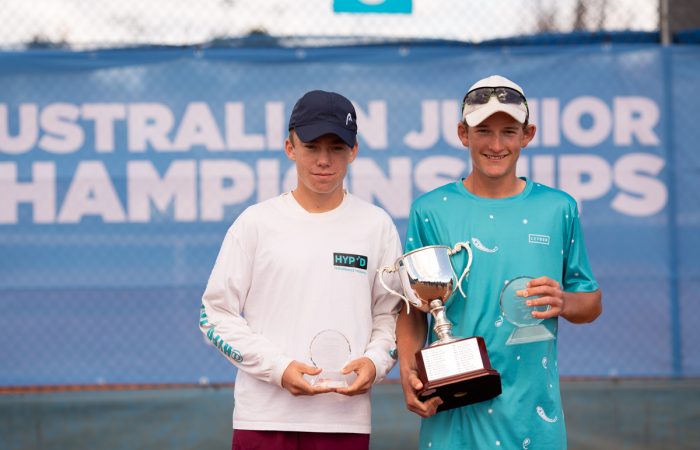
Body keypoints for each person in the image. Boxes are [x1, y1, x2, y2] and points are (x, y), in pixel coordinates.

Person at [395, 75, 603, 449]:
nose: (495, 144)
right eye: (483, 131)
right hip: (453, 411)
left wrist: (565, 302)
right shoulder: (430, 210)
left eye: (508, 131)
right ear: (463, 133)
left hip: (534, 418)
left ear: (528, 135)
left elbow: (589, 302)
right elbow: (414, 308)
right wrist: (409, 370)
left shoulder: (558, 208)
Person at [199, 89, 403, 450]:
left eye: (336, 147)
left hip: (344, 420)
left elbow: (389, 316)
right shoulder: (255, 223)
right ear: (290, 148)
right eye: (311, 147)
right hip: (263, 418)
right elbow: (215, 315)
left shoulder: (376, 226)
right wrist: (277, 369)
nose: (324, 160)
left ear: (353, 151)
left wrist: (374, 363)